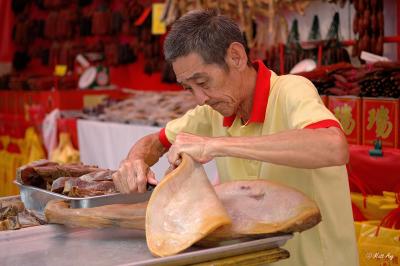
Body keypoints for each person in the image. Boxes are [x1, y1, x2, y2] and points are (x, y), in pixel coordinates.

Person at [112, 10, 358, 266]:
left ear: (236, 57)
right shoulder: (211, 111)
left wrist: (215, 145)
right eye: (189, 88)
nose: (200, 98)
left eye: (203, 82)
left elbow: (333, 146)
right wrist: (134, 162)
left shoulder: (290, 90)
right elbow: (155, 141)